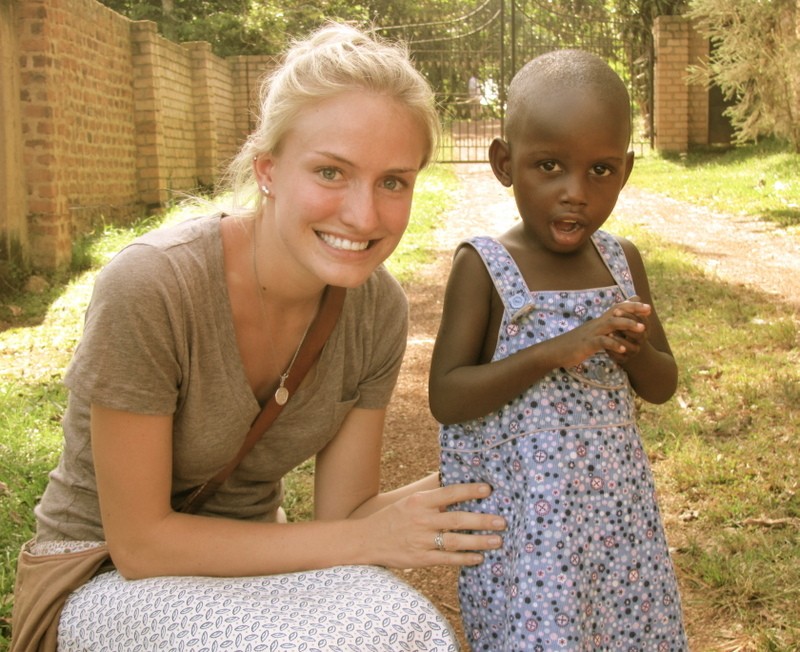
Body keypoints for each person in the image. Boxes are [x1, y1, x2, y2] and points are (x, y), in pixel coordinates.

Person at [14, 22, 506, 651]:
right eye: (331, 172)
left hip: (254, 565)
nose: (364, 215)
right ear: (268, 169)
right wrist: (368, 539)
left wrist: (484, 476)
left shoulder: (376, 308)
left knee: (411, 628)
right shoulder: (153, 286)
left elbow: (343, 518)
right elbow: (140, 545)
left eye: (393, 181)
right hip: (98, 573)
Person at [429, 49, 688, 650]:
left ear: (626, 170)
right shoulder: (485, 267)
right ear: (504, 163)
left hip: (621, 533)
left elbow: (663, 384)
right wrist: (554, 351)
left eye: (600, 170)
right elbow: (447, 395)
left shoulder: (623, 263)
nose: (576, 193)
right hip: (528, 538)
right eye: (549, 166)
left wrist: (636, 352)